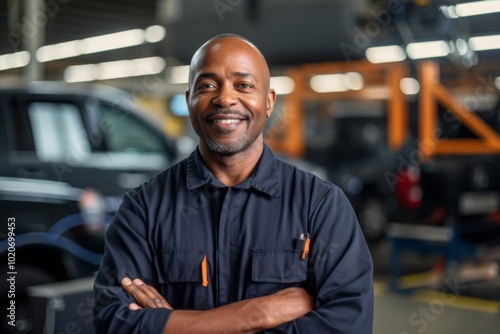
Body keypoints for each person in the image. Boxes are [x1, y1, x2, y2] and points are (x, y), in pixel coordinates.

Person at [93, 33, 374, 333]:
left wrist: (176, 325)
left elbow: (347, 325)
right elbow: (113, 322)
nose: (225, 98)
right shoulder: (144, 208)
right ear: (190, 102)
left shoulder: (320, 206)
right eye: (207, 86)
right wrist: (256, 314)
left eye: (243, 85)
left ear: (268, 102)